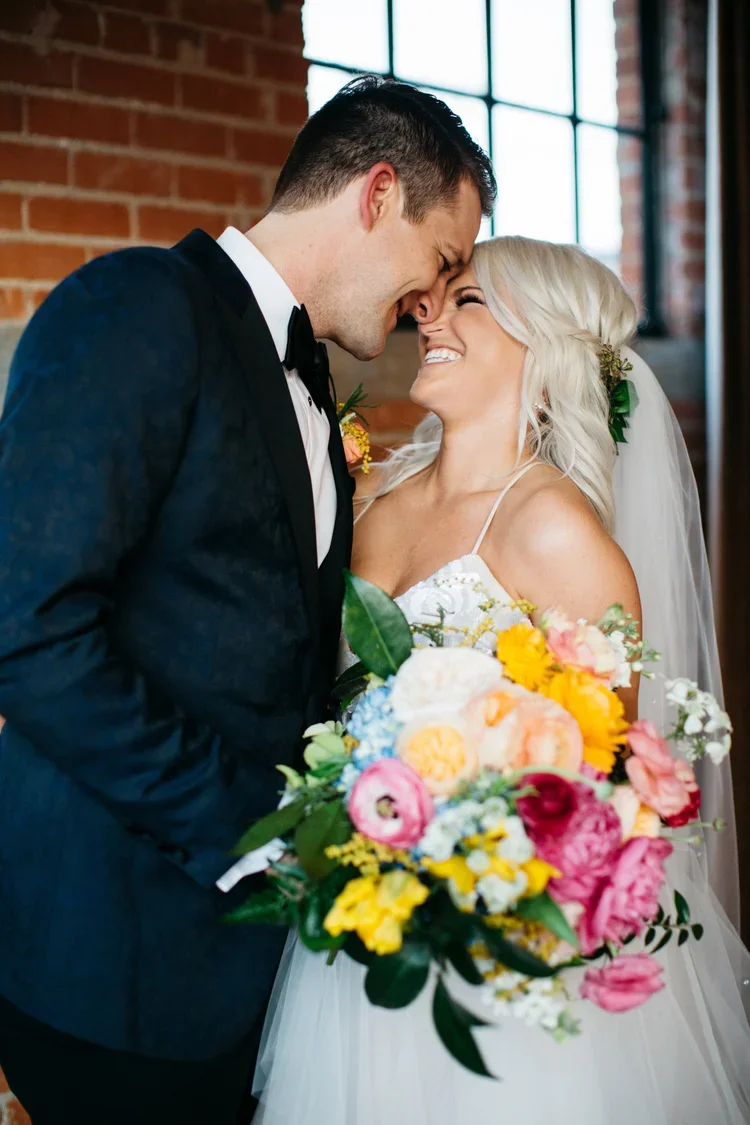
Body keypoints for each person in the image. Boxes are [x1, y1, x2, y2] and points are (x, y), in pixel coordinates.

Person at [0, 77, 494, 1125]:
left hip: (252, 981)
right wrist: (258, 831)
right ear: (374, 193)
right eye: (440, 260)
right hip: (112, 967)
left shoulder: (312, 383)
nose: (430, 301)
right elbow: (27, 633)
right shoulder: (135, 305)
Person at [253, 237, 750, 1124]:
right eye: (432, 297)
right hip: (355, 929)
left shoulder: (559, 534)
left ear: (545, 342)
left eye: (466, 300)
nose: (426, 314)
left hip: (485, 959)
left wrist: (459, 853)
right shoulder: (372, 504)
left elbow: (596, 802)